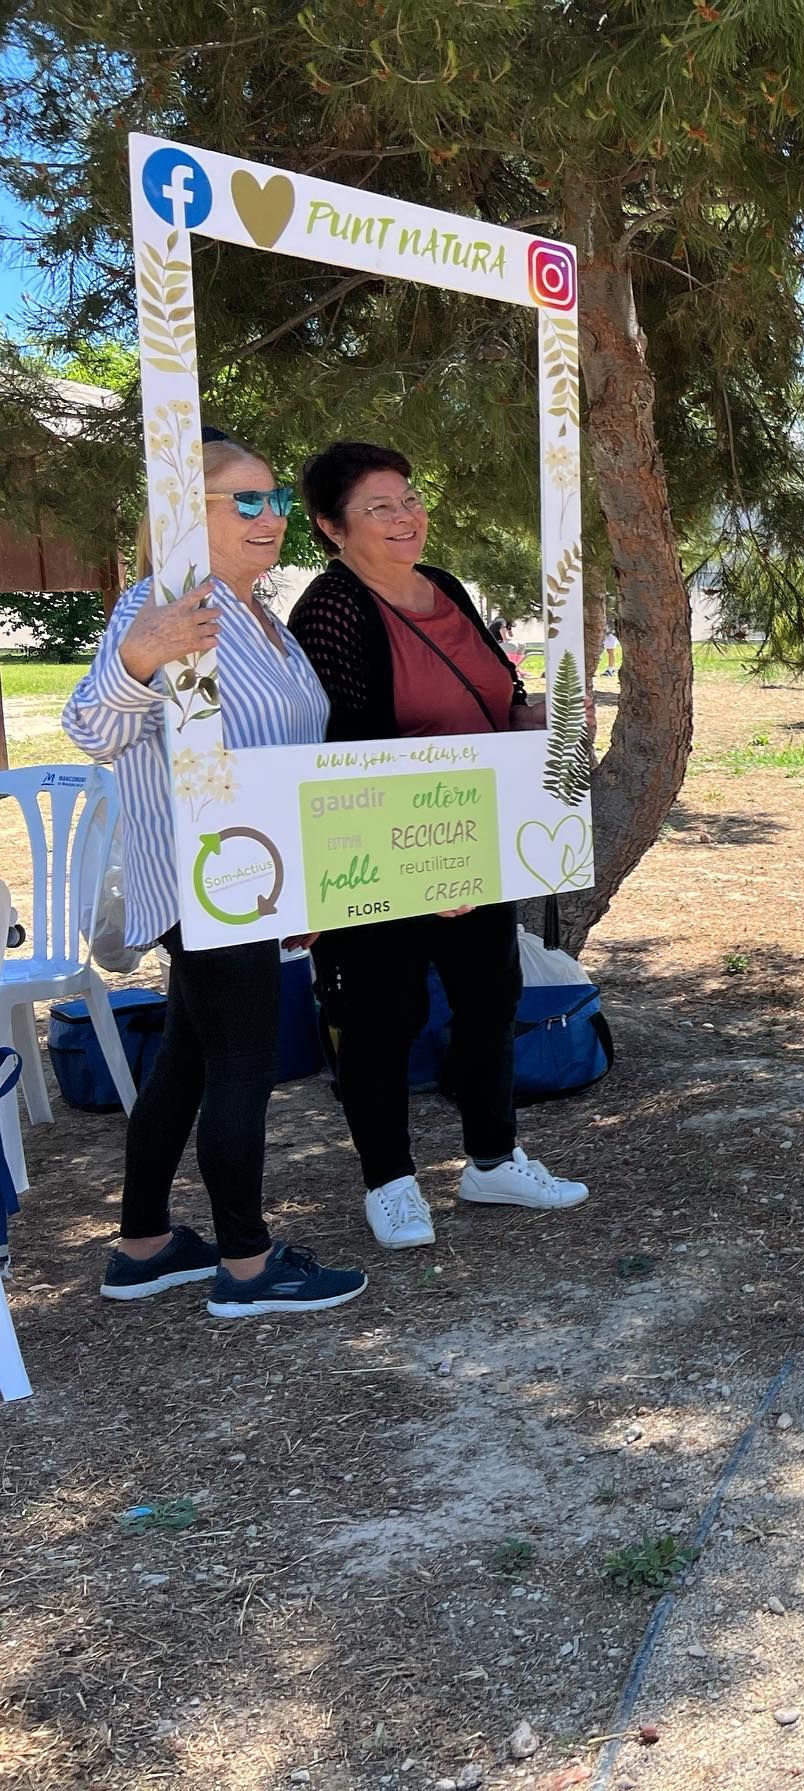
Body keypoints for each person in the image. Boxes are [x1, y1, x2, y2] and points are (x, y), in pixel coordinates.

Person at [62, 428, 368, 1318]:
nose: (269, 516)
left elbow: (291, 755)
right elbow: (93, 730)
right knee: (242, 1060)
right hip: (206, 883)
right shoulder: (161, 606)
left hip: (261, 879)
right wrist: (138, 655)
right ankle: (246, 1263)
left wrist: (307, 888)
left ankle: (145, 1243)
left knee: (189, 1064)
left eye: (274, 499)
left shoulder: (259, 612)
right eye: (246, 500)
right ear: (184, 513)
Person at [288, 441, 589, 1250]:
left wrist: (533, 723)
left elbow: (498, 690)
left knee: (491, 996)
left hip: (477, 839)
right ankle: (388, 1182)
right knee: (381, 1012)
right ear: (330, 526)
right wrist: (420, 866)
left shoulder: (447, 587)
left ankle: (493, 1158)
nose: (405, 516)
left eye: (410, 497)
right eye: (379, 507)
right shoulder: (331, 609)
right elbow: (349, 744)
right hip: (382, 850)